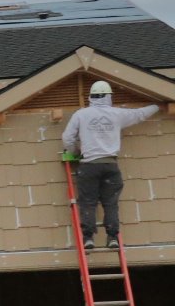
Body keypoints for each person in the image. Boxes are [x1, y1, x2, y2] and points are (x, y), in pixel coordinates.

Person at [62, 79, 161, 248]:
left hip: (89, 167)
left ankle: (88, 238)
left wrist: (74, 152)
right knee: (110, 203)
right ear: (109, 97)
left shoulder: (81, 114)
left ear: (91, 97)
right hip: (110, 166)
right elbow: (139, 114)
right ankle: (113, 237)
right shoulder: (117, 114)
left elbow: (67, 138)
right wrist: (159, 105)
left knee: (88, 202)